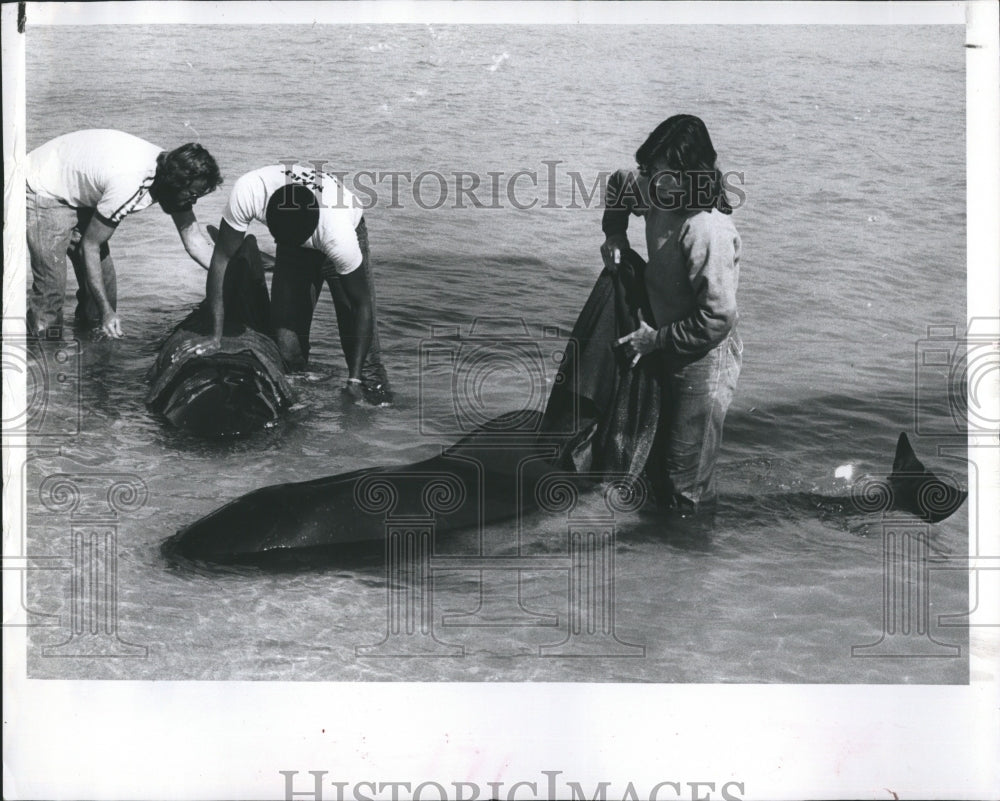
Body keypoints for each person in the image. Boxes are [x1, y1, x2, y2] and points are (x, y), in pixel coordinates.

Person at [604, 114, 742, 514]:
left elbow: (718, 318)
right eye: (653, 171)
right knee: (653, 461)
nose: (655, 183)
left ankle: (693, 556)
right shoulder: (655, 190)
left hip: (704, 356)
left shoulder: (706, 229)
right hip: (664, 338)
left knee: (686, 483)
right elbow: (618, 184)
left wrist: (657, 340)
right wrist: (615, 232)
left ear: (694, 175)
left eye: (667, 175)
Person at [177, 163, 392, 406]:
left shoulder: (339, 236)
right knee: (287, 349)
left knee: (366, 363)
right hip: (294, 235)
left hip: (338, 226)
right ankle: (301, 417)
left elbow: (361, 304)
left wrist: (354, 380)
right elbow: (221, 259)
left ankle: (374, 403)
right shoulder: (250, 191)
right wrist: (215, 335)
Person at [25, 129, 222, 339]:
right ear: (175, 184)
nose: (193, 202)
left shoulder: (173, 177)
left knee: (105, 289)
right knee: (51, 289)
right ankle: (43, 357)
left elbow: (194, 241)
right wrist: (106, 312)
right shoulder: (130, 185)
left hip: (82, 186)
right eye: (192, 195)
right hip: (45, 186)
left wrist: (230, 276)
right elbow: (89, 247)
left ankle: (92, 353)